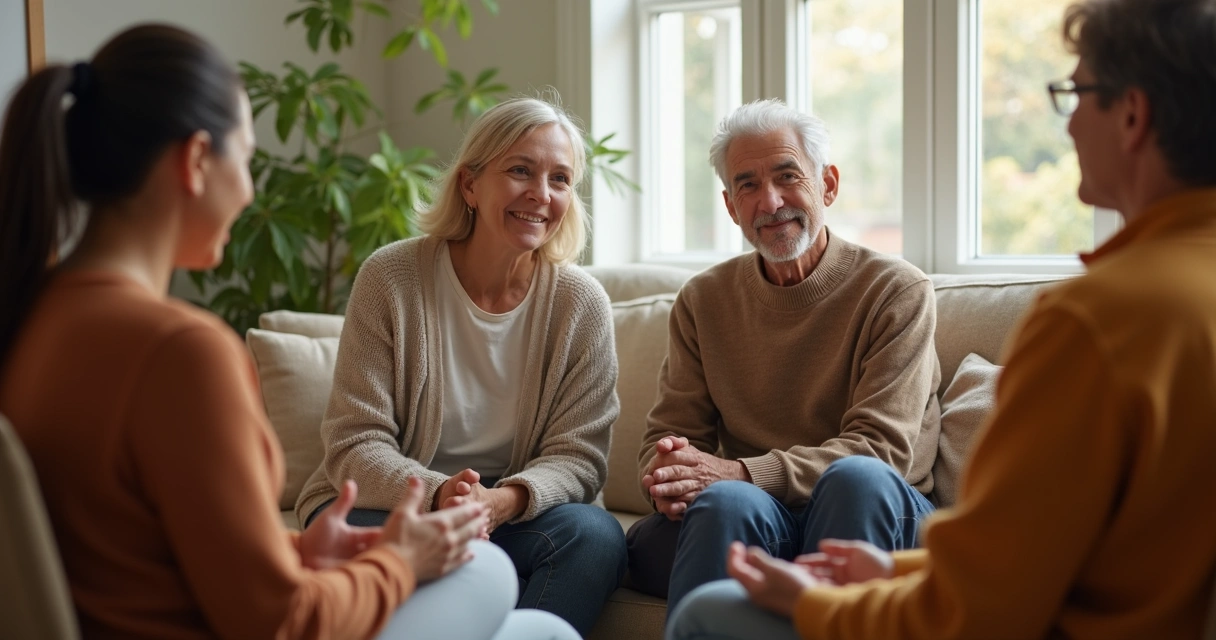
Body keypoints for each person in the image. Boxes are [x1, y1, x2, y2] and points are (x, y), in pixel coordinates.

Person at [0, 24, 578, 640]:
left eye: (562, 179)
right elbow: (282, 620)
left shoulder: (33, 317)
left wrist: (294, 553)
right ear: (196, 162)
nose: (250, 191)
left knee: (544, 633)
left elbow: (140, 547)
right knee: (490, 575)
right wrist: (402, 560)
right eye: (246, 159)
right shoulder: (181, 351)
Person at [667, 0, 1216, 638]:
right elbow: (1037, 552)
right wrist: (895, 570)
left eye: (1075, 95)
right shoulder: (1175, 295)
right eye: (747, 185)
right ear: (730, 204)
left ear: (1132, 115)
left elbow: (989, 596)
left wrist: (818, 607)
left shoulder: (1095, 321)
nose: (1067, 125)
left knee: (710, 611)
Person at [295, 94, 628, 635]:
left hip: (511, 513)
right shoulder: (391, 279)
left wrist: (501, 501)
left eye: (560, 179)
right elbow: (355, 443)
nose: (541, 194)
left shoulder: (581, 304)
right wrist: (440, 493)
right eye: (520, 170)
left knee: (595, 538)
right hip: (392, 505)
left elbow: (580, 456)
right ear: (470, 185)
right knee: (388, 538)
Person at [625, 98, 942, 611]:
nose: (770, 202)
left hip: (876, 512)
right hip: (760, 516)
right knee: (724, 502)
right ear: (731, 207)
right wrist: (668, 473)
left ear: (828, 185)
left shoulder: (896, 291)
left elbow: (881, 451)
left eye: (787, 176)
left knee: (854, 480)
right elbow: (669, 434)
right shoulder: (703, 300)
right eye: (747, 185)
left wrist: (741, 472)